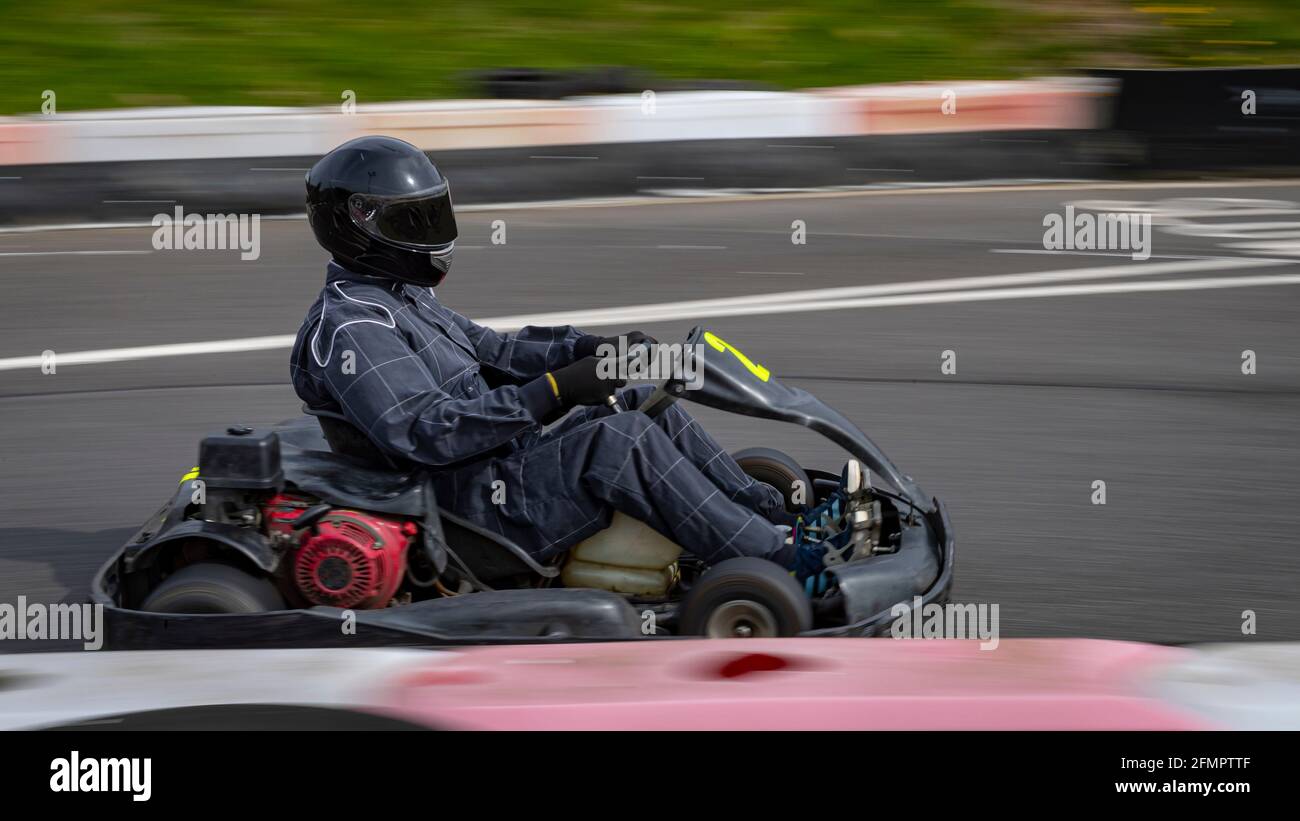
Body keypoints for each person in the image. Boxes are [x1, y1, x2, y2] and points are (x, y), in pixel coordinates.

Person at [290, 136, 846, 582]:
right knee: (617, 440)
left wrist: (593, 351)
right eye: (412, 223)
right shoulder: (353, 327)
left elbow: (498, 351)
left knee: (638, 400)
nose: (430, 235)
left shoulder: (401, 298)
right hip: (465, 515)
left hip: (496, 468)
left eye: (431, 216)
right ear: (357, 224)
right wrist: (555, 391)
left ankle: (770, 517)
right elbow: (428, 433)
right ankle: (784, 565)